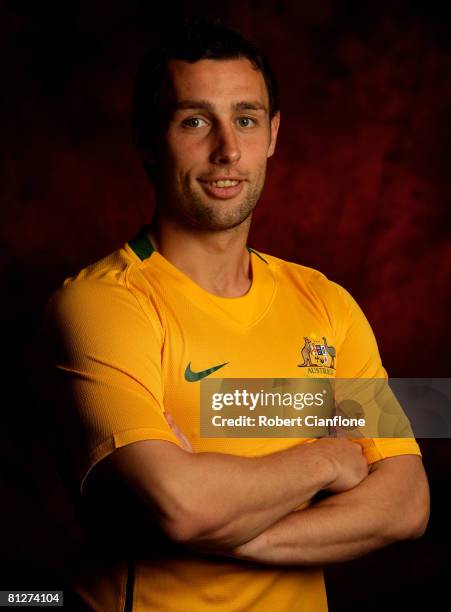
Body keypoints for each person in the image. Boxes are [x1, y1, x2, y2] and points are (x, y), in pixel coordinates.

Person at [44, 18, 430, 612]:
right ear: (148, 139)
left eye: (245, 119)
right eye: (195, 120)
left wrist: (231, 531)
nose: (227, 149)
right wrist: (330, 458)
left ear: (273, 134)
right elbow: (183, 505)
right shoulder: (103, 303)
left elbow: (406, 504)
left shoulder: (326, 303)